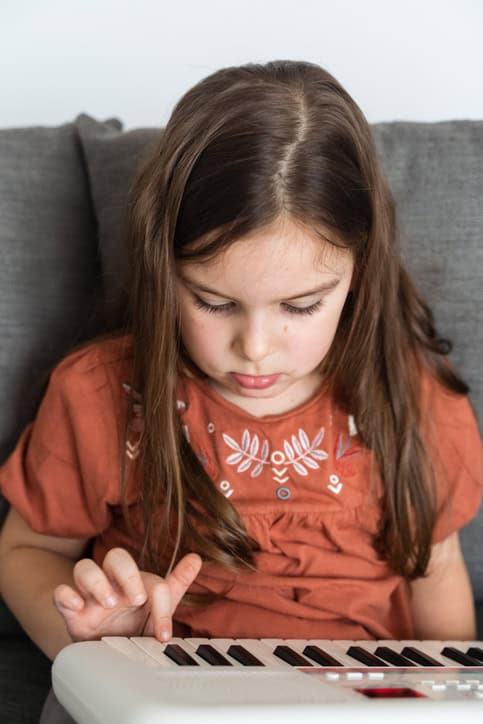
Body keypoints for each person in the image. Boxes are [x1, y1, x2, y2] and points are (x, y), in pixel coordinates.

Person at [0, 60, 482, 722]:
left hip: (360, 701)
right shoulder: (102, 394)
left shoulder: (414, 398)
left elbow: (435, 578)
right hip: (165, 691)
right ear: (161, 266)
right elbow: (28, 549)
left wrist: (453, 697)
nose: (255, 347)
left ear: (359, 270)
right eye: (214, 302)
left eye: (301, 305)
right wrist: (86, 637)